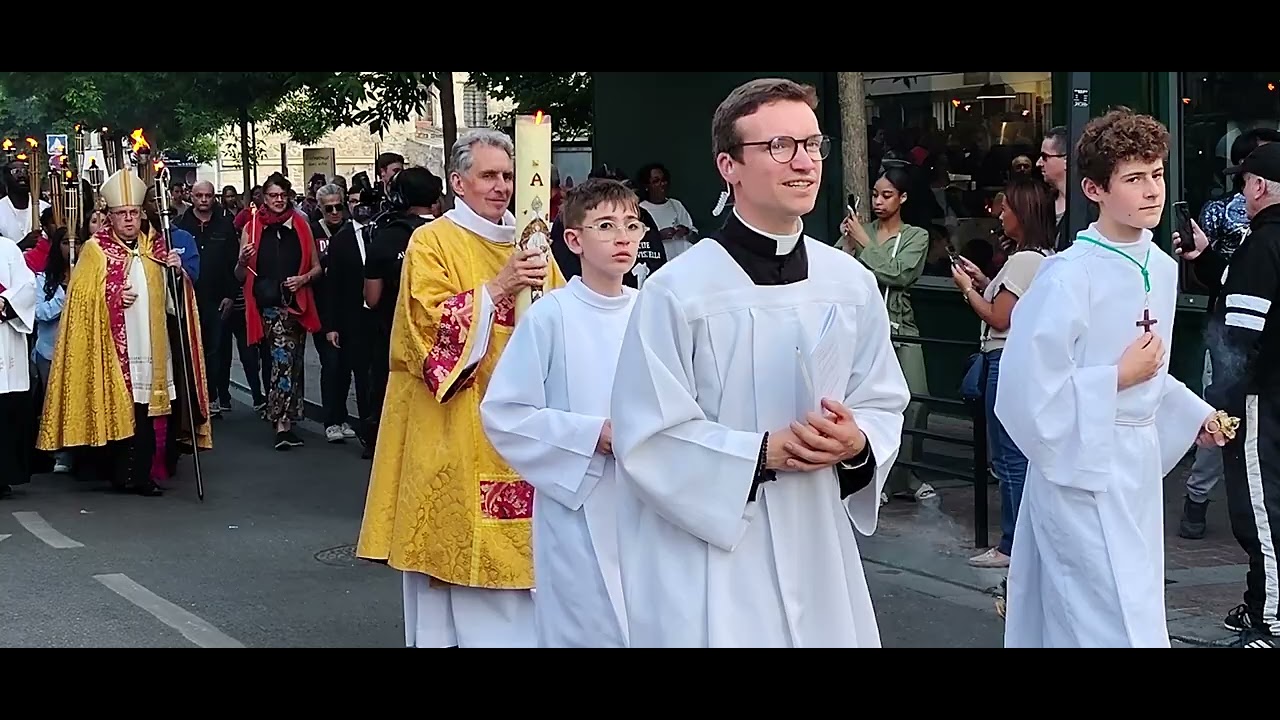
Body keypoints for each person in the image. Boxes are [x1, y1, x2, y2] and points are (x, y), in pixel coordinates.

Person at [608, 78, 911, 648]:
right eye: (779, 146)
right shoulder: (679, 291)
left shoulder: (850, 282)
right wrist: (758, 454)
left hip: (818, 540)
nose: (804, 161)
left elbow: (881, 398)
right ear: (729, 166)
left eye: (812, 144)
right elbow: (646, 435)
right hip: (716, 554)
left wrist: (858, 443)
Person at [994, 108, 1227, 648]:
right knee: (1093, 613)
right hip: (1079, 467)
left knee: (1135, 600)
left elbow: (1152, 372)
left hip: (1135, 469)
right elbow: (1026, 389)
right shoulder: (1068, 275)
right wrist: (1113, 378)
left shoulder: (1161, 267)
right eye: (1134, 178)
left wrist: (1194, 414)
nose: (1152, 190)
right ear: (1094, 189)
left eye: (1157, 174)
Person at [356, 129, 568, 648]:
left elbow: (564, 320)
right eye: (488, 175)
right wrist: (500, 287)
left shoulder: (532, 244)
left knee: (525, 576)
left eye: (508, 176)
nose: (501, 187)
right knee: (449, 564)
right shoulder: (433, 241)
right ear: (457, 182)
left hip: (519, 428)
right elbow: (425, 334)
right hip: (452, 424)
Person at [480, 178, 641, 648]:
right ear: (573, 240)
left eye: (632, 225)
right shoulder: (551, 315)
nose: (623, 237)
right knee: (587, 623)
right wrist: (592, 435)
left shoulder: (653, 310)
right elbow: (506, 413)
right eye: (605, 226)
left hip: (647, 496)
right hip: (579, 497)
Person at [37, 167, 212, 496]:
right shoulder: (96, 250)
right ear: (111, 217)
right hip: (113, 349)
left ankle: (142, 474)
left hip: (153, 346)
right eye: (122, 214)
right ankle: (119, 473)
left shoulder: (156, 247)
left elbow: (175, 302)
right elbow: (80, 299)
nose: (129, 219)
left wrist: (177, 274)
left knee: (147, 415)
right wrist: (112, 296)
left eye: (134, 212)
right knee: (123, 410)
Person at [1199, 142, 1280, 648]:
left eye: (1246, 183)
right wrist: (1207, 261)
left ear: (1260, 187)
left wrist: (1221, 402)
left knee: (1261, 511)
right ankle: (1258, 601)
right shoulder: (1259, 245)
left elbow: (1242, 337)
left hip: (1262, 401)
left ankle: (1271, 621)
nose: (1242, 193)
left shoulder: (1263, 245)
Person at [840, 167, 934, 504]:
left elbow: (899, 274)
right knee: (860, 403)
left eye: (887, 195)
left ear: (903, 198)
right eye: (875, 195)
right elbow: (839, 270)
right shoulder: (860, 232)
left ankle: (905, 476)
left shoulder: (915, 236)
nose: (878, 201)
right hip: (863, 329)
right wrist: (849, 244)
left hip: (901, 327)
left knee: (917, 399)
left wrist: (864, 244)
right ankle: (870, 478)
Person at [234, 173, 322, 449]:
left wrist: (303, 279)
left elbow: (317, 267)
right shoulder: (252, 227)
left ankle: (288, 416)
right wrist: (242, 260)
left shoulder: (301, 225)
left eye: (283, 195)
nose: (278, 200)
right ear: (264, 197)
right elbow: (239, 275)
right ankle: (281, 421)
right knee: (282, 359)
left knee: (294, 361)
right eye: (273, 195)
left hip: (296, 303)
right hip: (269, 305)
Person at [0, 230, 36, 498]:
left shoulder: (7, 248)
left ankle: (3, 476)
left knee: (6, 413)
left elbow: (27, 287)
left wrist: (5, 303)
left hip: (5, 338)